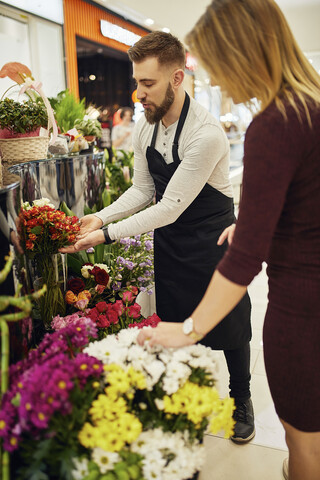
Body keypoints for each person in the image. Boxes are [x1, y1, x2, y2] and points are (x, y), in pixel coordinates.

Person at [136, 2, 320, 480]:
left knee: (305, 446)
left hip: (303, 311)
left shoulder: (274, 125)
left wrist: (189, 329)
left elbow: (244, 263)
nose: (215, 82)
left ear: (244, 53)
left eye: (217, 65)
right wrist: (270, 220)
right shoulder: (310, 105)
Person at [60, 31, 254, 443]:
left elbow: (171, 206)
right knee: (175, 323)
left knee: (230, 326)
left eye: (147, 84)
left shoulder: (206, 133)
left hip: (212, 240)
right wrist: (98, 217)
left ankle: (242, 399)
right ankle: (183, 398)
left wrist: (105, 236)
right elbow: (143, 192)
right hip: (171, 243)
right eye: (136, 82)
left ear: (178, 78)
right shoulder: (146, 127)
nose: (138, 94)